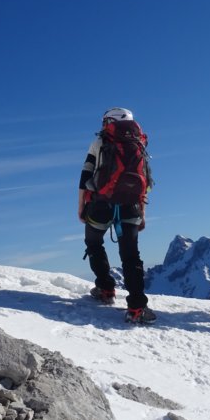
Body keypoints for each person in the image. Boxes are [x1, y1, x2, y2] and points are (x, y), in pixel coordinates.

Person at [79, 107, 156, 324]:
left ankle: (105, 289)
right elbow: (146, 182)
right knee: (131, 256)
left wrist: (81, 207)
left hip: (100, 204)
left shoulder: (99, 142)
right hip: (131, 206)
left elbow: (85, 177)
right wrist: (142, 213)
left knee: (94, 244)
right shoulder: (140, 143)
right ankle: (137, 308)